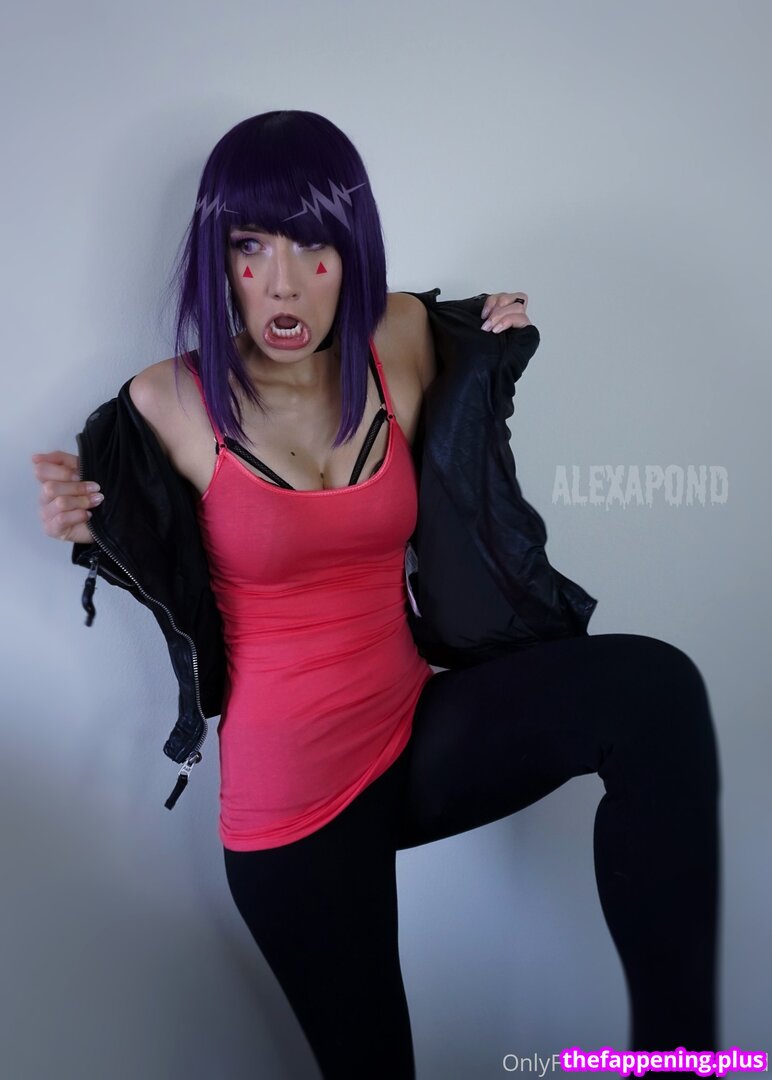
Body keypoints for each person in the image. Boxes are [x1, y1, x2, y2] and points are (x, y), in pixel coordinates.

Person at [31, 109, 721, 1079]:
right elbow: (140, 534)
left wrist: (497, 340)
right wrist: (85, 523)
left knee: (652, 691)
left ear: (351, 250)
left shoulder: (398, 337)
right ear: (220, 260)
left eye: (313, 246)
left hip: (412, 725)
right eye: (251, 246)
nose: (283, 281)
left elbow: (469, 395)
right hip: (295, 800)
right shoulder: (167, 401)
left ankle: (680, 1062)